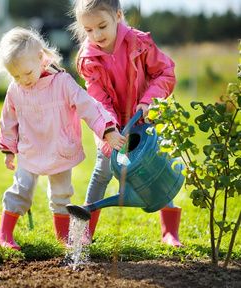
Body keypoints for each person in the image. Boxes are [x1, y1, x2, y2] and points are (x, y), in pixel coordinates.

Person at [0, 27, 126, 250]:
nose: (23, 80)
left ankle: (63, 238)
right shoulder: (15, 90)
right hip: (30, 149)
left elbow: (89, 107)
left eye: (27, 73)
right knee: (21, 189)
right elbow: (8, 121)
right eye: (15, 75)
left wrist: (108, 131)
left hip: (61, 148)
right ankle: (4, 234)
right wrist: (8, 149)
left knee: (62, 194)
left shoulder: (63, 83)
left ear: (40, 58)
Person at [68, 0, 184, 247]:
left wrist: (149, 101)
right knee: (101, 172)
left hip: (146, 121)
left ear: (118, 16)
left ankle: (169, 233)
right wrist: (109, 131)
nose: (96, 35)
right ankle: (84, 233)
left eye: (102, 26)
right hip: (110, 126)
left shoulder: (140, 43)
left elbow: (165, 72)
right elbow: (98, 100)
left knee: (156, 169)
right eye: (88, 30)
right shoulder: (88, 59)